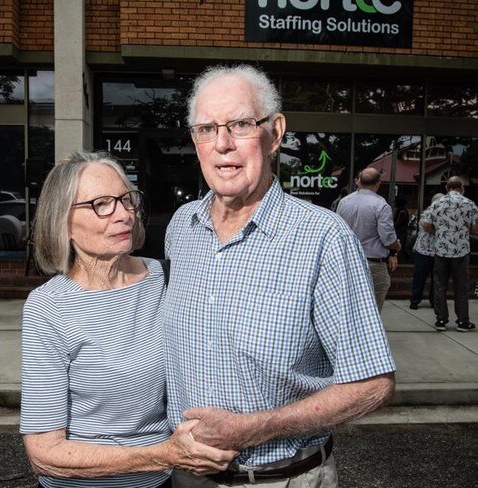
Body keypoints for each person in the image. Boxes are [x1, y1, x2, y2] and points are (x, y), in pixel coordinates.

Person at [164, 65, 396, 488]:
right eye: (206, 128)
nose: (222, 144)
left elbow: (372, 384)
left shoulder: (322, 238)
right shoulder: (182, 227)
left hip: (283, 478)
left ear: (275, 132)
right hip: (188, 477)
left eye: (240, 124)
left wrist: (252, 429)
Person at [20, 151, 236, 488]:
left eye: (126, 199)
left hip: (160, 483)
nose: (124, 215)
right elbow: (43, 453)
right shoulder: (48, 307)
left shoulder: (164, 278)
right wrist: (164, 455)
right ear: (62, 221)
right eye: (101, 204)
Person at [336, 168, 402, 312]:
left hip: (347, 261)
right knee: (372, 310)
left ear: (357, 181)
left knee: (349, 306)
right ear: (378, 183)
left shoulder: (344, 202)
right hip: (372, 263)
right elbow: (387, 237)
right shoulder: (381, 205)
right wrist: (395, 247)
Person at [421, 176, 478, 332]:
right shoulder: (469, 204)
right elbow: (475, 228)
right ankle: (462, 322)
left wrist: (438, 231)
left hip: (441, 250)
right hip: (461, 251)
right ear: (461, 186)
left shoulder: (437, 203)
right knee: (461, 286)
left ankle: (441, 320)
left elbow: (425, 225)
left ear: (446, 188)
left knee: (439, 285)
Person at [409, 193, 444, 310]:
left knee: (437, 279)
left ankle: (434, 301)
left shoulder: (444, 214)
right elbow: (427, 227)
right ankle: (414, 300)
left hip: (438, 251)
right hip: (423, 251)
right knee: (420, 277)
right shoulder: (428, 212)